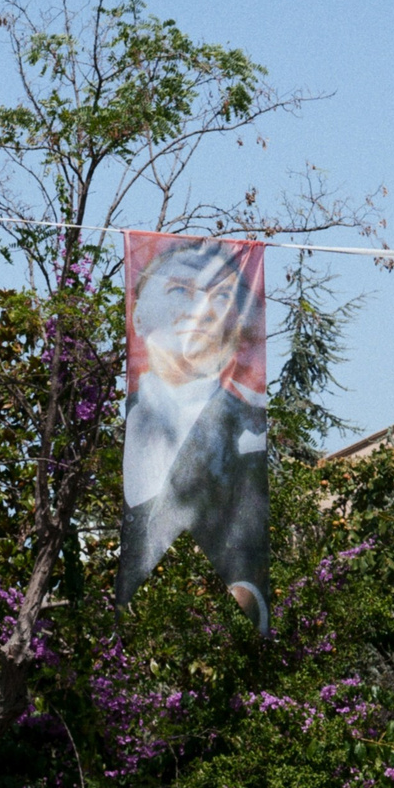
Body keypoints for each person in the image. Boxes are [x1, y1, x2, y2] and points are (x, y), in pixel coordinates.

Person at [117, 238, 271, 629]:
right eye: (179, 290)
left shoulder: (249, 432)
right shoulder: (104, 425)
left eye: (220, 297)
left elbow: (250, 554)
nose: (201, 310)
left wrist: (244, 600)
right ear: (137, 317)